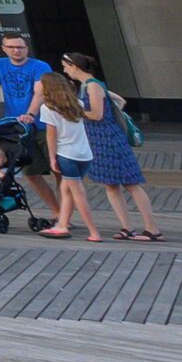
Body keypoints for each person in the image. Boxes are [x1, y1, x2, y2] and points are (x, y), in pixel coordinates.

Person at [62, 52, 158, 240]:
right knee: (111, 185)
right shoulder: (89, 86)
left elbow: (96, 115)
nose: (65, 70)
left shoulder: (92, 86)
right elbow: (120, 101)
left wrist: (73, 109)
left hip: (108, 140)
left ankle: (152, 229)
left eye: (65, 66)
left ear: (74, 66)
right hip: (101, 140)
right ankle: (126, 227)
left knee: (131, 184)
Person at [0, 31, 56, 220]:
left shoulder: (39, 66)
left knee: (59, 170)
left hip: (42, 125)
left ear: (26, 48)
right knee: (31, 173)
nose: (16, 50)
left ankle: (65, 214)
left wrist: (31, 113)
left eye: (20, 47)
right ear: (4, 49)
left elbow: (39, 92)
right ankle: (57, 211)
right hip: (18, 128)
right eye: (12, 47)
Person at [34, 69, 105, 241]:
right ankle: (62, 225)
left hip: (66, 154)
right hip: (84, 154)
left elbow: (51, 135)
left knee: (78, 194)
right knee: (66, 191)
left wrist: (52, 158)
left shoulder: (48, 108)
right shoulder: (77, 104)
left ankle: (93, 232)